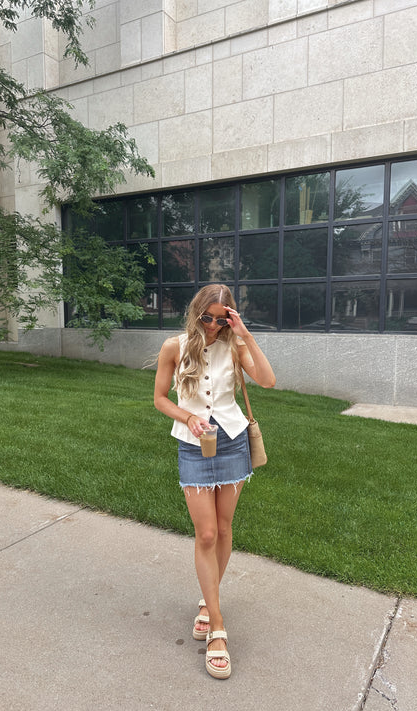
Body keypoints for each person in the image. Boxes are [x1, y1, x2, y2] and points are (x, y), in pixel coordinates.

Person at [153, 284, 276, 679]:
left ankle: (208, 604)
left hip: (233, 442)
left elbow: (268, 381)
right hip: (194, 445)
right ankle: (218, 628)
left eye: (221, 319)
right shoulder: (174, 347)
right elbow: (160, 398)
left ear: (230, 317)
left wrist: (245, 336)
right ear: (196, 312)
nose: (212, 325)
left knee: (224, 528)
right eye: (207, 317)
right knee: (205, 534)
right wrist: (188, 416)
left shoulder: (235, 345)